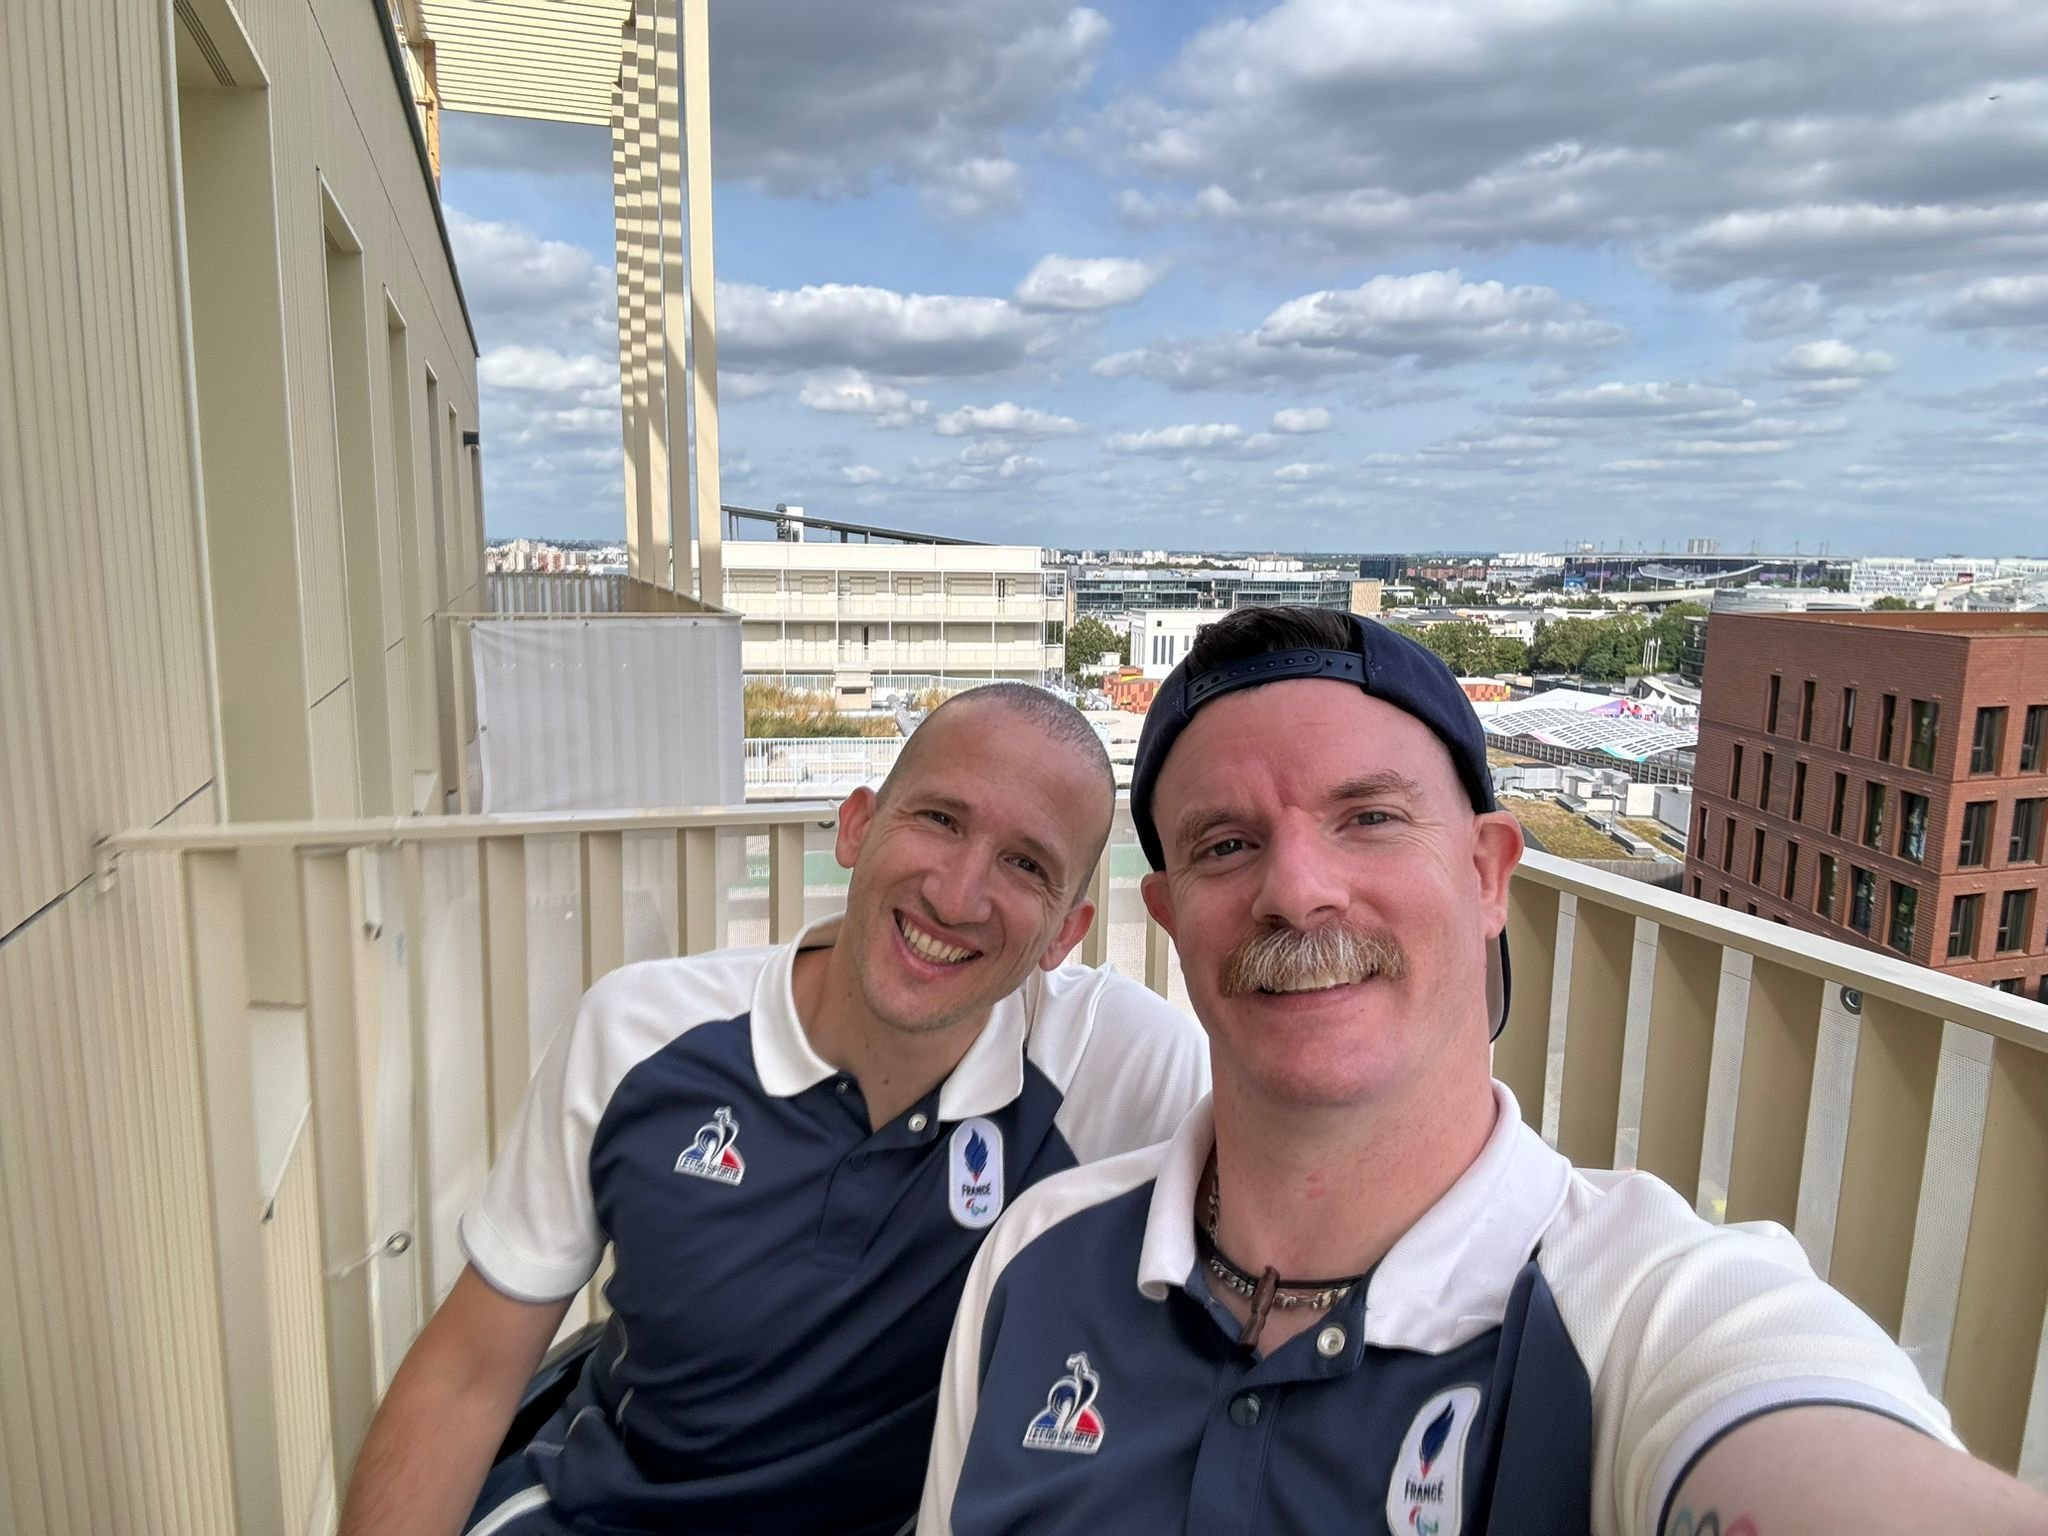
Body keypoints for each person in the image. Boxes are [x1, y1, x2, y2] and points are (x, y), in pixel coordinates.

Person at [918, 607, 2048, 1536]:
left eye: (1366, 817)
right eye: (1224, 844)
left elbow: (1797, 1439)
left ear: (1488, 872)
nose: (1295, 890)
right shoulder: (1032, 1260)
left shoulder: (1640, 1318)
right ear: (1169, 918)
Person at [338, 683, 1209, 1536]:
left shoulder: (1118, 1066)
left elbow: (1313, 1165)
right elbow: (466, 1376)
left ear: (1066, 930)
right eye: (939, 819)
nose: (958, 893)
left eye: (1026, 864)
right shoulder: (642, 1033)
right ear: (857, 824)